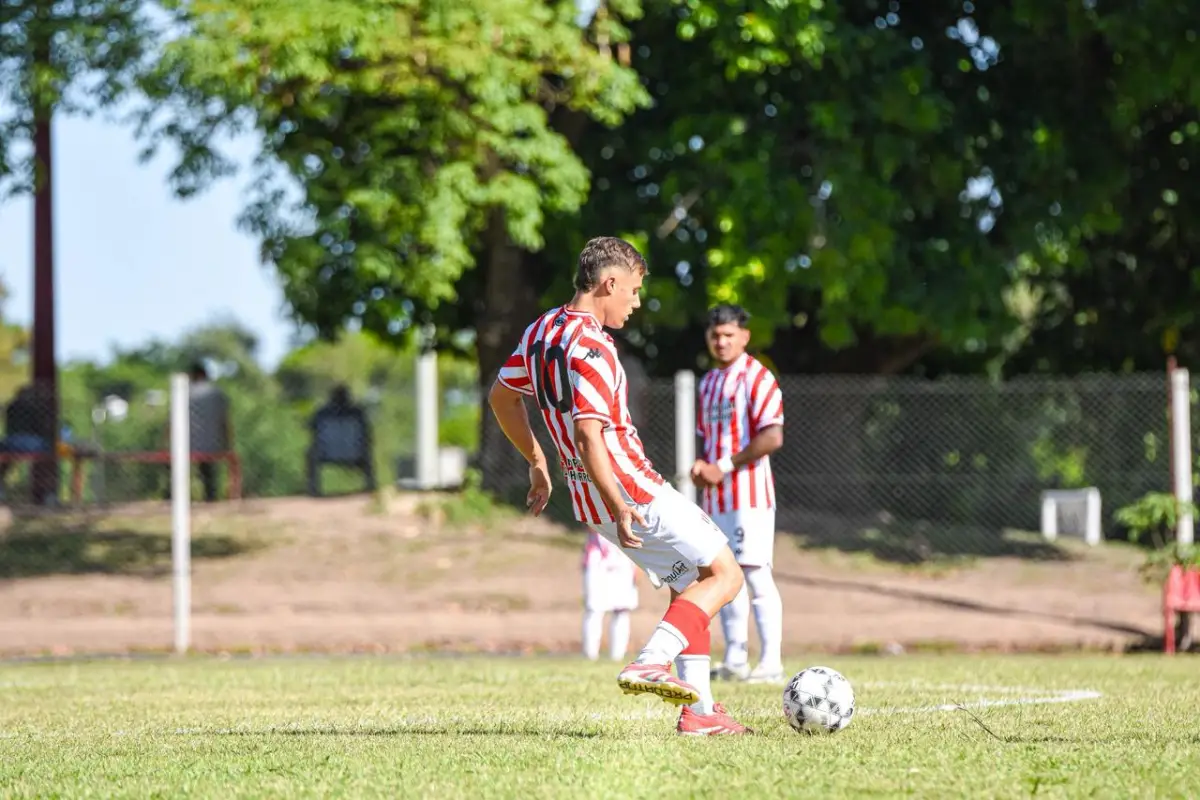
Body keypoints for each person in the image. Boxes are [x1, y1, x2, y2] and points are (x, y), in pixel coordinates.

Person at [488, 235, 751, 736]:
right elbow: (589, 433)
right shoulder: (594, 346)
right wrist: (621, 501)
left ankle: (699, 712)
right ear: (609, 283)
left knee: (691, 584)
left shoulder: (541, 330)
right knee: (726, 575)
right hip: (629, 487)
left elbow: (502, 398)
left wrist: (538, 462)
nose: (636, 302)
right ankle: (651, 661)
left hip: (588, 500)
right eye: (633, 290)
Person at [691, 304, 786, 684]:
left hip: (750, 497)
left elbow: (772, 436)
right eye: (716, 335)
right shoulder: (708, 383)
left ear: (744, 337)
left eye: (729, 335)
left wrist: (723, 466)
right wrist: (702, 466)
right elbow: (706, 438)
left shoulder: (757, 377)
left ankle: (771, 662)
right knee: (723, 574)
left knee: (755, 573)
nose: (722, 342)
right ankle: (735, 659)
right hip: (716, 499)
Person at [307, 384, 376, 496]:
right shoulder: (357, 413)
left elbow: (312, 429)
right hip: (355, 453)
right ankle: (370, 485)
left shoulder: (322, 413)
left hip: (327, 453)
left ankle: (313, 488)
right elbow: (367, 433)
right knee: (367, 450)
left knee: (310, 452)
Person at [581, 531, 638, 661]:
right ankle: (590, 655)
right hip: (598, 558)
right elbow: (590, 525)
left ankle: (618, 656)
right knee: (594, 609)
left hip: (624, 557)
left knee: (622, 610)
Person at [188, 361, 232, 502]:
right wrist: (227, 443)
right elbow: (224, 420)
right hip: (212, 444)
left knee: (175, 468)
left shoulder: (185, 393)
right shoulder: (217, 393)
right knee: (208, 472)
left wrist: (166, 443)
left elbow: (171, 422)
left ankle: (172, 494)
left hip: (186, 444)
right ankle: (210, 497)